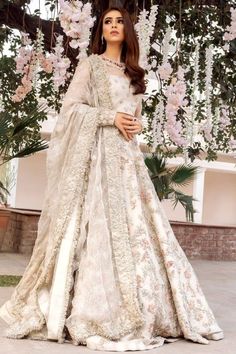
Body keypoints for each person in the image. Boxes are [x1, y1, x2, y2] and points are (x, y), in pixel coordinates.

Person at [0, 6, 224, 352]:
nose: (114, 26)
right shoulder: (90, 65)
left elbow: (132, 117)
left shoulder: (137, 73)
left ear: (128, 29)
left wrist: (136, 124)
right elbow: (71, 110)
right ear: (101, 30)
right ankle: (89, 307)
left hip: (127, 163)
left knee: (139, 231)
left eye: (120, 21)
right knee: (97, 230)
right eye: (108, 22)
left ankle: (148, 306)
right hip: (96, 161)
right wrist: (109, 117)